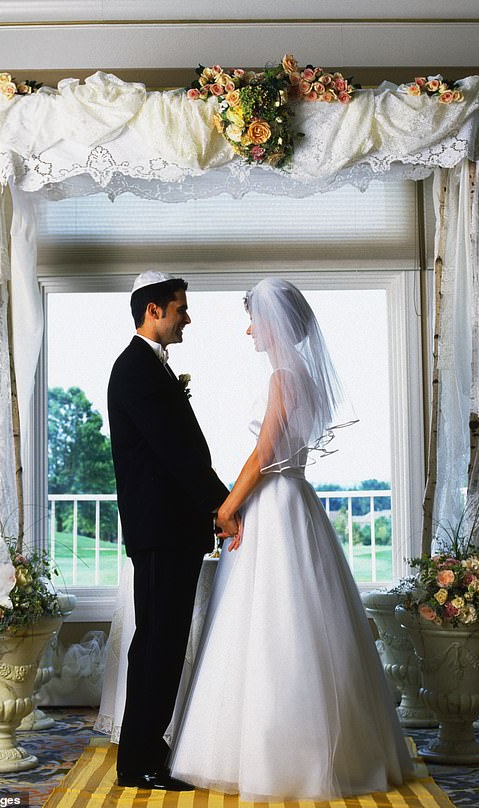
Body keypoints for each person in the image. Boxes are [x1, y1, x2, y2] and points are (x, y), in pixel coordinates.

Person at [166, 277, 415, 800]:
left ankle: (279, 756)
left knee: (275, 623)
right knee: (296, 620)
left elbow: (263, 455)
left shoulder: (284, 376)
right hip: (295, 500)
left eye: (254, 317)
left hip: (276, 501)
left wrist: (227, 508)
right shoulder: (301, 374)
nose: (249, 327)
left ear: (275, 323)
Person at [107, 270, 229, 791]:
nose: (187, 317)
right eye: (181, 308)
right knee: (159, 642)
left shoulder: (145, 367)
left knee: (160, 641)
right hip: (161, 531)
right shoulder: (136, 368)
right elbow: (176, 454)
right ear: (153, 310)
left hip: (166, 530)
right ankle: (140, 762)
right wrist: (223, 505)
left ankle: (146, 751)